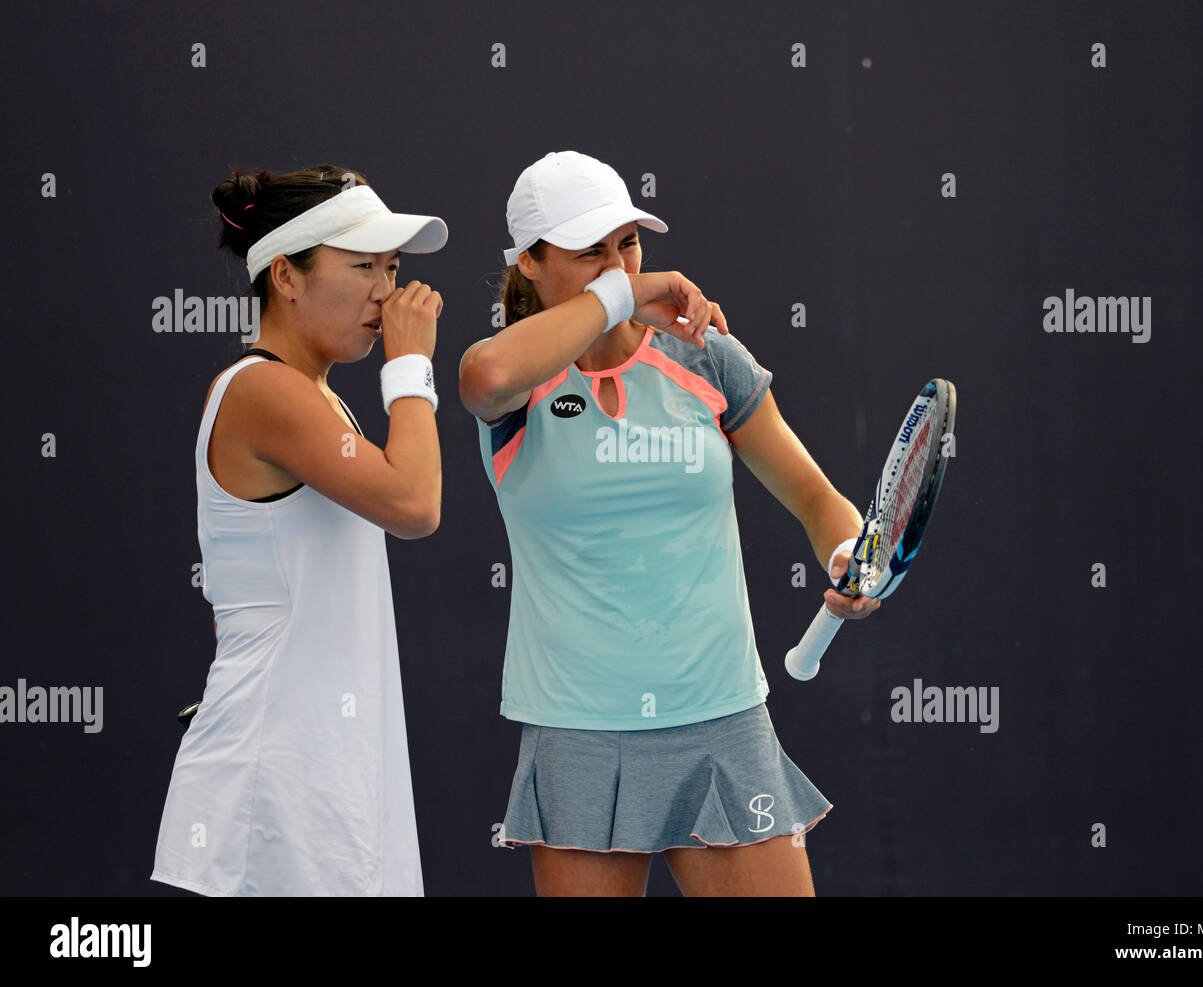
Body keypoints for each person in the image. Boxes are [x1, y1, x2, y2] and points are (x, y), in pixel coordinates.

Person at [459, 150, 879, 896]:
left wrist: (847, 550)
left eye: (628, 244)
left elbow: (818, 498)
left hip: (720, 718)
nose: (617, 265)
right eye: (590, 252)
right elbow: (483, 376)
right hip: (577, 730)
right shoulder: (517, 380)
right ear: (529, 262)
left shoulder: (707, 358)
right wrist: (625, 295)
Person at [152, 165, 445, 896]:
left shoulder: (312, 397)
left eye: (393, 266)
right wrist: (410, 367)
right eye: (363, 266)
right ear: (286, 275)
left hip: (319, 771)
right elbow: (414, 503)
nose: (388, 290)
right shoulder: (264, 390)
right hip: (274, 782)